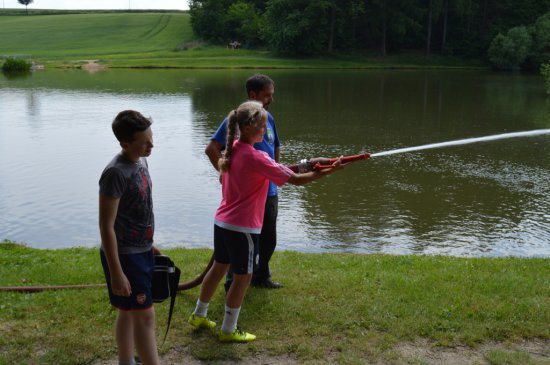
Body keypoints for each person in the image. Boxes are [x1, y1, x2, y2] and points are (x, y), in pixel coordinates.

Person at [189, 101, 346, 342]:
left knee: (219, 267)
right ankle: (228, 330)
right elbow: (294, 180)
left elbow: (279, 169)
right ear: (250, 128)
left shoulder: (233, 149)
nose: (266, 131)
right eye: (263, 127)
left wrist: (312, 163)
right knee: (243, 277)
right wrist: (328, 172)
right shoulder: (255, 156)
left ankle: (199, 314)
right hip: (242, 227)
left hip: (222, 222)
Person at [205, 74, 283, 290]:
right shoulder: (237, 120)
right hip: (247, 196)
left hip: (269, 192)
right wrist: (224, 171)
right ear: (253, 95)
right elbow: (212, 149)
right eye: (267, 95)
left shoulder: (269, 119)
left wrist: (276, 171)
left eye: (272, 95)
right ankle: (233, 281)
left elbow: (275, 146)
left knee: (268, 240)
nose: (271, 99)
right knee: (241, 242)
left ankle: (261, 275)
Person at [99, 110, 160, 365]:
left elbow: (138, 209)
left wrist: (149, 244)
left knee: (127, 310)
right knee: (145, 316)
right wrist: (117, 272)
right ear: (125, 144)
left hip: (142, 250)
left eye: (151, 137)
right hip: (125, 258)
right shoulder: (115, 173)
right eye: (144, 142)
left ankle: (126, 361)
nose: (151, 145)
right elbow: (106, 225)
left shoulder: (141, 161)